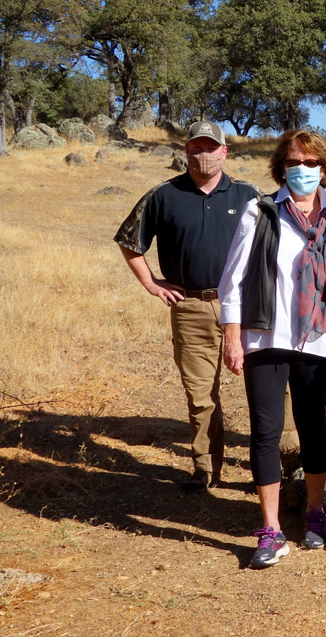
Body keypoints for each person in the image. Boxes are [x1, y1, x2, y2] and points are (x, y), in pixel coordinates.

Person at [218, 130, 326, 569]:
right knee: (266, 431)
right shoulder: (260, 211)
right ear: (281, 167)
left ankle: (314, 512)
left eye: (311, 163)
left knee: (313, 426)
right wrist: (232, 335)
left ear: (324, 169)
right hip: (265, 338)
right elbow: (232, 279)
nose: (302, 170)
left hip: (319, 339)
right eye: (294, 162)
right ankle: (270, 529)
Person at [115, 121, 262, 492]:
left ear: (225, 152)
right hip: (191, 307)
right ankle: (206, 469)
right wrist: (151, 282)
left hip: (247, 308)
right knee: (199, 393)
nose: (204, 154)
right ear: (186, 151)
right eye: (196, 147)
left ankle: (282, 464)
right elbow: (130, 241)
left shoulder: (249, 195)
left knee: (269, 387)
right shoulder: (164, 194)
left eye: (211, 147)